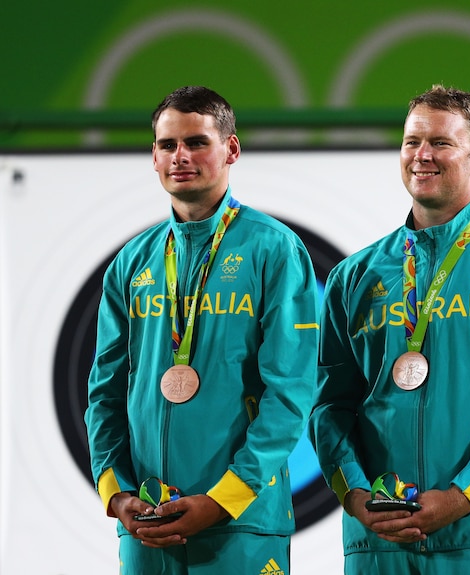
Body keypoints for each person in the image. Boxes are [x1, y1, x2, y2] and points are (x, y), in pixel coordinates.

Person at [309, 85, 470, 574]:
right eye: (412, 142)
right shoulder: (355, 275)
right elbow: (329, 404)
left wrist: (461, 496)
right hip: (379, 539)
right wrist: (356, 495)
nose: (421, 155)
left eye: (440, 144)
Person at [84, 85, 319, 574]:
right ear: (153, 156)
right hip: (146, 523)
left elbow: (291, 393)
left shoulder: (274, 249)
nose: (180, 156)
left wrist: (224, 500)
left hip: (241, 524)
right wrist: (117, 494)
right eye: (167, 145)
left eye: (196, 142)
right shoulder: (132, 263)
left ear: (231, 149)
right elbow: (104, 392)